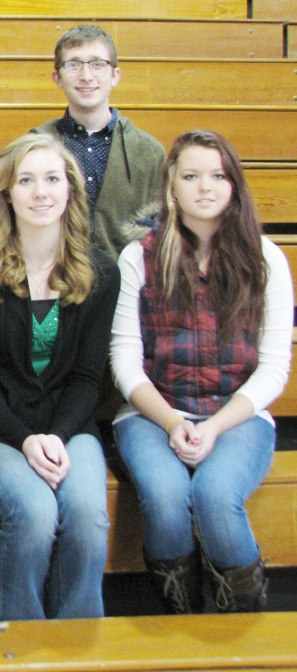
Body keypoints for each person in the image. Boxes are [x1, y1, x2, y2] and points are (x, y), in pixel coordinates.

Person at [110, 130, 292, 614]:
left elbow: (274, 370)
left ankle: (241, 628)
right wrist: (173, 422)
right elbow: (125, 362)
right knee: (167, 499)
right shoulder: (139, 257)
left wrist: (211, 427)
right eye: (191, 175)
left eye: (217, 175)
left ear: (234, 184)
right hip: (152, 414)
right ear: (171, 184)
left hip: (237, 417)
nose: (204, 187)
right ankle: (182, 620)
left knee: (214, 496)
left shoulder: (266, 259)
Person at [0, 133, 120, 621]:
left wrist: (57, 435)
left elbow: (89, 378)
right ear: (7, 193)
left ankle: (77, 648)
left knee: (87, 517)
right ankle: (21, 643)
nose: (41, 192)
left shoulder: (101, 273)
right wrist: (26, 440)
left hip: (67, 425)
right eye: (26, 180)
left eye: (52, 178)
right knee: (35, 511)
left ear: (71, 189)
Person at [32, 24, 165, 257]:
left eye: (98, 64)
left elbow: (160, 233)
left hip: (127, 284)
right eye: (73, 65)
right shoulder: (34, 146)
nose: (86, 76)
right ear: (57, 78)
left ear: (115, 75)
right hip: (53, 281)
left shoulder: (150, 152)